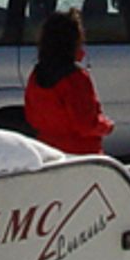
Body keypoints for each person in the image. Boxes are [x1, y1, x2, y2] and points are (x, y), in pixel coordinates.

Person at [22, 9, 113, 155]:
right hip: (81, 153)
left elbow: (31, 117)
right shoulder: (75, 78)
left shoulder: (37, 74)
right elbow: (86, 125)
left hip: (47, 151)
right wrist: (107, 126)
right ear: (73, 42)